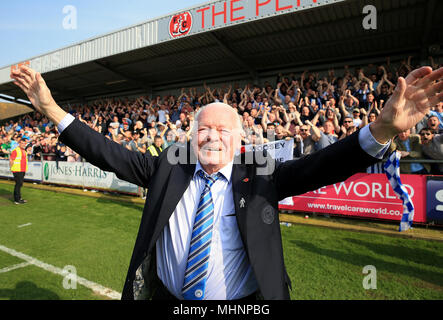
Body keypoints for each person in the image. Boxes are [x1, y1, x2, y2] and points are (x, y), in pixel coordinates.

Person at [10, 65, 443, 300]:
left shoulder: (262, 174)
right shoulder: (168, 168)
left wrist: (382, 131)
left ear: (239, 140)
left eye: (222, 130)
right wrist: (50, 109)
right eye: (203, 129)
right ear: (191, 136)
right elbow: (106, 152)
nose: (212, 135)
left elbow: (322, 166)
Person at [9, 139, 28, 205]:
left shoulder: (24, 151)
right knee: (18, 184)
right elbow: (11, 160)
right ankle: (17, 199)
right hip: (17, 170)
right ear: (19, 143)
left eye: (24, 143)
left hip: (22, 169)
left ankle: (19, 198)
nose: (23, 144)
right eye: (22, 143)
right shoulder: (16, 151)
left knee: (20, 184)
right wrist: (11, 168)